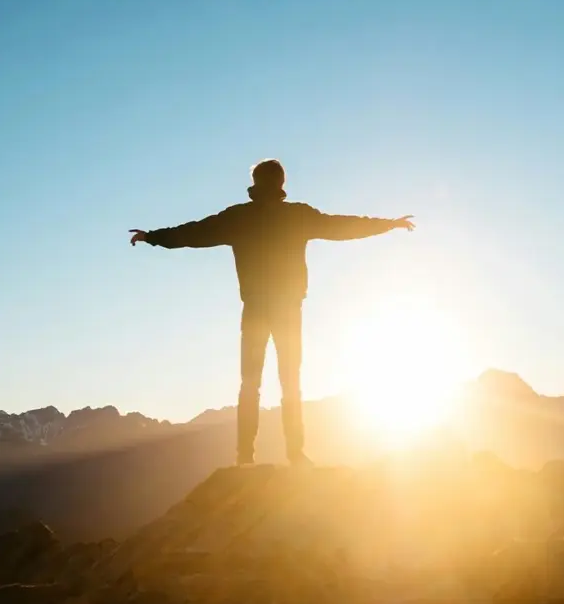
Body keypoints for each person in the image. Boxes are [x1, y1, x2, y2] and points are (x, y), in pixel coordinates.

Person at [129, 159, 414, 466]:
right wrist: (388, 224)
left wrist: (152, 237)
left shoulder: (240, 217)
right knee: (290, 381)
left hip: (255, 309)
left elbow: (193, 233)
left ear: (255, 181)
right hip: (288, 310)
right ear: (281, 183)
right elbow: (343, 226)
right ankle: (294, 453)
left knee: (250, 383)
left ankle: (245, 456)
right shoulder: (296, 216)